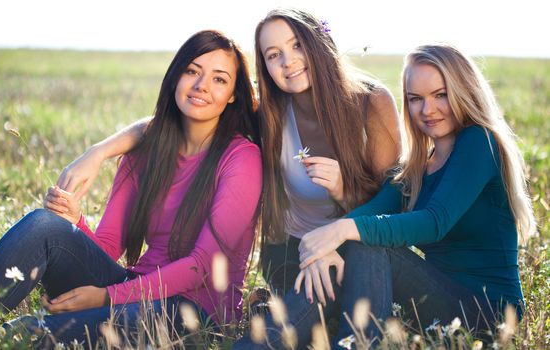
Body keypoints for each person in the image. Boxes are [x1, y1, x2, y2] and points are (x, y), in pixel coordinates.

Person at [52, 8, 401, 348]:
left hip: (353, 246)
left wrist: (341, 202)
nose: (288, 61)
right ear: (264, 66)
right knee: (279, 330)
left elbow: (390, 204)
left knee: (327, 314)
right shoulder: (270, 113)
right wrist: (98, 152)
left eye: (296, 45)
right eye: (272, 54)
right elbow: (171, 121)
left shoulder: (371, 104)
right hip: (290, 254)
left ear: (318, 42)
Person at [0, 30, 263, 347]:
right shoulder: (144, 152)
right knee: (45, 225)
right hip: (135, 288)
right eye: (192, 71)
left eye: (219, 79)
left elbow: (202, 265)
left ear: (232, 95)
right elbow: (106, 248)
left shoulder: (242, 159)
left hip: (195, 312)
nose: (201, 86)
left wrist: (106, 297)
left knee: (31, 333)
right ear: (176, 77)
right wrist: (75, 219)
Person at [294, 43, 537, 346]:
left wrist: (342, 230)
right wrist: (326, 245)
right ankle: (265, 340)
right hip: (441, 303)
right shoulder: (417, 166)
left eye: (440, 95)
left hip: (488, 314)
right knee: (358, 240)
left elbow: (434, 222)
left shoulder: (479, 142)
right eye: (415, 99)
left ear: (464, 91)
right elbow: (373, 210)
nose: (427, 109)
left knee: (366, 240)